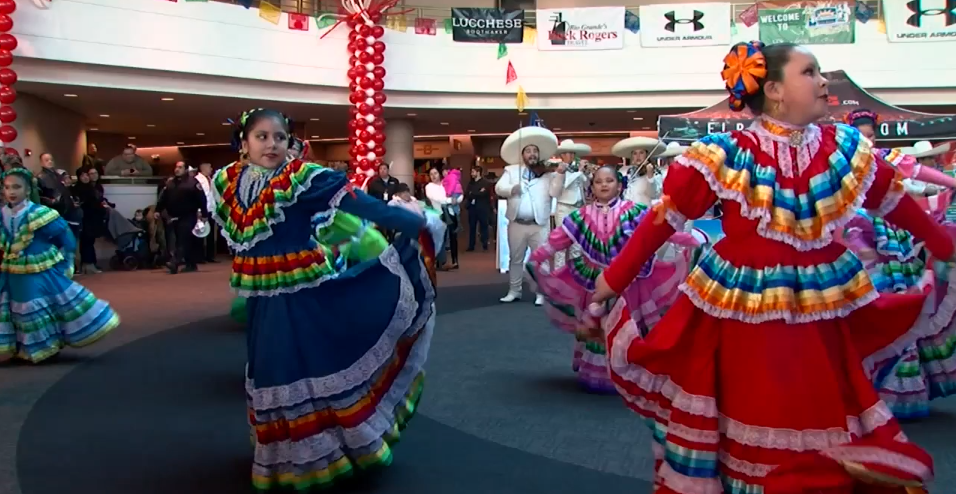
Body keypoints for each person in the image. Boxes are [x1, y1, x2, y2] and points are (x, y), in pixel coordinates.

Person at [590, 42, 946, 491]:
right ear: (775, 89)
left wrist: (945, 247)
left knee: (823, 411)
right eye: (810, 72)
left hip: (821, 311)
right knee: (762, 407)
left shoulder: (844, 149)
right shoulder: (726, 153)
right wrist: (614, 277)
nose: (823, 82)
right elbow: (664, 219)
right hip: (747, 312)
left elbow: (896, 202)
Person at [210, 108, 436, 491]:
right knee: (268, 368)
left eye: (279, 137)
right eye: (262, 136)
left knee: (302, 366)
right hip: (262, 300)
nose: (271, 144)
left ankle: (325, 452)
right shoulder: (226, 180)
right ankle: (282, 455)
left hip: (301, 294)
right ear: (244, 142)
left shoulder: (301, 178)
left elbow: (358, 204)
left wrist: (413, 221)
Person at [527, 166, 698, 394]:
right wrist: (539, 256)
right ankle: (601, 374)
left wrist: (690, 239)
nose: (604, 185)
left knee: (628, 325)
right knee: (598, 325)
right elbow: (559, 239)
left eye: (609, 180)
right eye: (599, 181)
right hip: (596, 280)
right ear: (593, 186)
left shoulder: (635, 212)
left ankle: (629, 373)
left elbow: (660, 230)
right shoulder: (581, 216)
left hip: (629, 280)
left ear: (619, 185)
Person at [0, 168, 119, 364]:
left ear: (28, 190)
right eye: (7, 187)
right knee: (14, 308)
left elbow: (65, 237)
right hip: (12, 269)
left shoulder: (40, 214)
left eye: (16, 187)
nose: (11, 191)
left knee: (32, 305)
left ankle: (43, 348)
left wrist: (66, 260)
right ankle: (24, 349)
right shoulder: (3, 214)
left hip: (38, 268)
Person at [495, 126, 566, 306]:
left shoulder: (548, 173)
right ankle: (514, 291)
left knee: (541, 260)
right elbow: (498, 188)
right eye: (528, 151)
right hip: (517, 223)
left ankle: (541, 293)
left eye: (535, 151)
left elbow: (556, 193)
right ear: (523, 154)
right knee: (515, 259)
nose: (532, 154)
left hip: (539, 224)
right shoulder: (511, 171)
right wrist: (512, 189)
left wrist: (560, 175)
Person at [155, 161, 208, 274]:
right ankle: (191, 264)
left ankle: (175, 262)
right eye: (176, 167)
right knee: (183, 240)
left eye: (180, 167)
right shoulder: (170, 183)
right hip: (174, 216)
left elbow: (202, 199)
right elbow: (163, 198)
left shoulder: (193, 183)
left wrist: (204, 214)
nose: (177, 169)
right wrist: (158, 210)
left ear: (186, 169)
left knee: (183, 240)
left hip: (188, 215)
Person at [551, 139, 592, 269]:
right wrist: (579, 172)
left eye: (573, 153)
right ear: (562, 155)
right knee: (561, 244)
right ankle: (559, 275)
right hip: (564, 207)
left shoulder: (576, 170)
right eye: (568, 153)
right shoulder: (557, 170)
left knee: (577, 244)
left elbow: (586, 185)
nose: (571, 156)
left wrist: (587, 174)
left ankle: (575, 275)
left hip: (579, 208)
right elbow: (564, 184)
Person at [425, 167, 461, 270]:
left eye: (435, 173)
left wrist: (456, 199)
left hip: (450, 213)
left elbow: (456, 193)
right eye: (431, 174)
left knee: (453, 237)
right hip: (438, 214)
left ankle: (454, 261)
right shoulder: (429, 187)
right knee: (440, 238)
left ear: (439, 174)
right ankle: (440, 262)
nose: (433, 176)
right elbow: (437, 198)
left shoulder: (445, 184)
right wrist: (450, 200)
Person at [613, 136, 660, 207]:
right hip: (629, 212)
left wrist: (650, 176)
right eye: (635, 153)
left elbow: (653, 194)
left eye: (641, 153)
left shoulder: (655, 172)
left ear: (646, 155)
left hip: (644, 212)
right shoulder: (628, 171)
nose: (638, 156)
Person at [464, 164, 492, 252]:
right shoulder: (470, 183)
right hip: (472, 208)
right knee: (472, 227)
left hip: (482, 208)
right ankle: (471, 245)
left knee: (484, 226)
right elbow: (467, 193)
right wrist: (476, 193)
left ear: (478, 172)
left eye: (473, 172)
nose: (471, 174)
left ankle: (484, 243)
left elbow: (483, 194)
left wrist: (473, 193)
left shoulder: (485, 183)